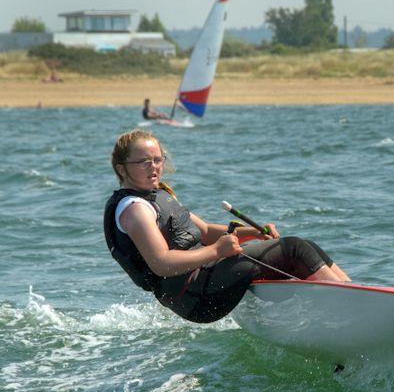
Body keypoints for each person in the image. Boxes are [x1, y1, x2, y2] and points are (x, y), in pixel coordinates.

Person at [104, 129, 350, 323]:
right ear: (121, 169)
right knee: (294, 249)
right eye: (144, 161)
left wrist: (252, 232)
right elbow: (162, 263)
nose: (154, 166)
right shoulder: (135, 210)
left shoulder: (157, 195)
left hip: (204, 279)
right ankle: (348, 312)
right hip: (191, 295)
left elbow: (206, 232)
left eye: (158, 159)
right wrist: (216, 251)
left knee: (305, 246)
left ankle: (353, 294)